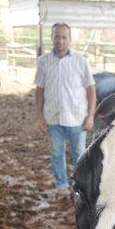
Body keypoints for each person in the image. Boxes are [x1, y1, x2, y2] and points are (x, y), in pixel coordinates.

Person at [35, 22, 96, 195]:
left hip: (77, 117)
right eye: (56, 36)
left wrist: (90, 115)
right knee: (56, 154)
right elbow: (39, 90)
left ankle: (80, 186)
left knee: (79, 154)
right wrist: (40, 116)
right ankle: (61, 185)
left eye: (64, 37)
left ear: (69, 39)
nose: (60, 40)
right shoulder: (44, 61)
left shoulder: (80, 61)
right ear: (51, 38)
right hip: (53, 118)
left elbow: (91, 89)